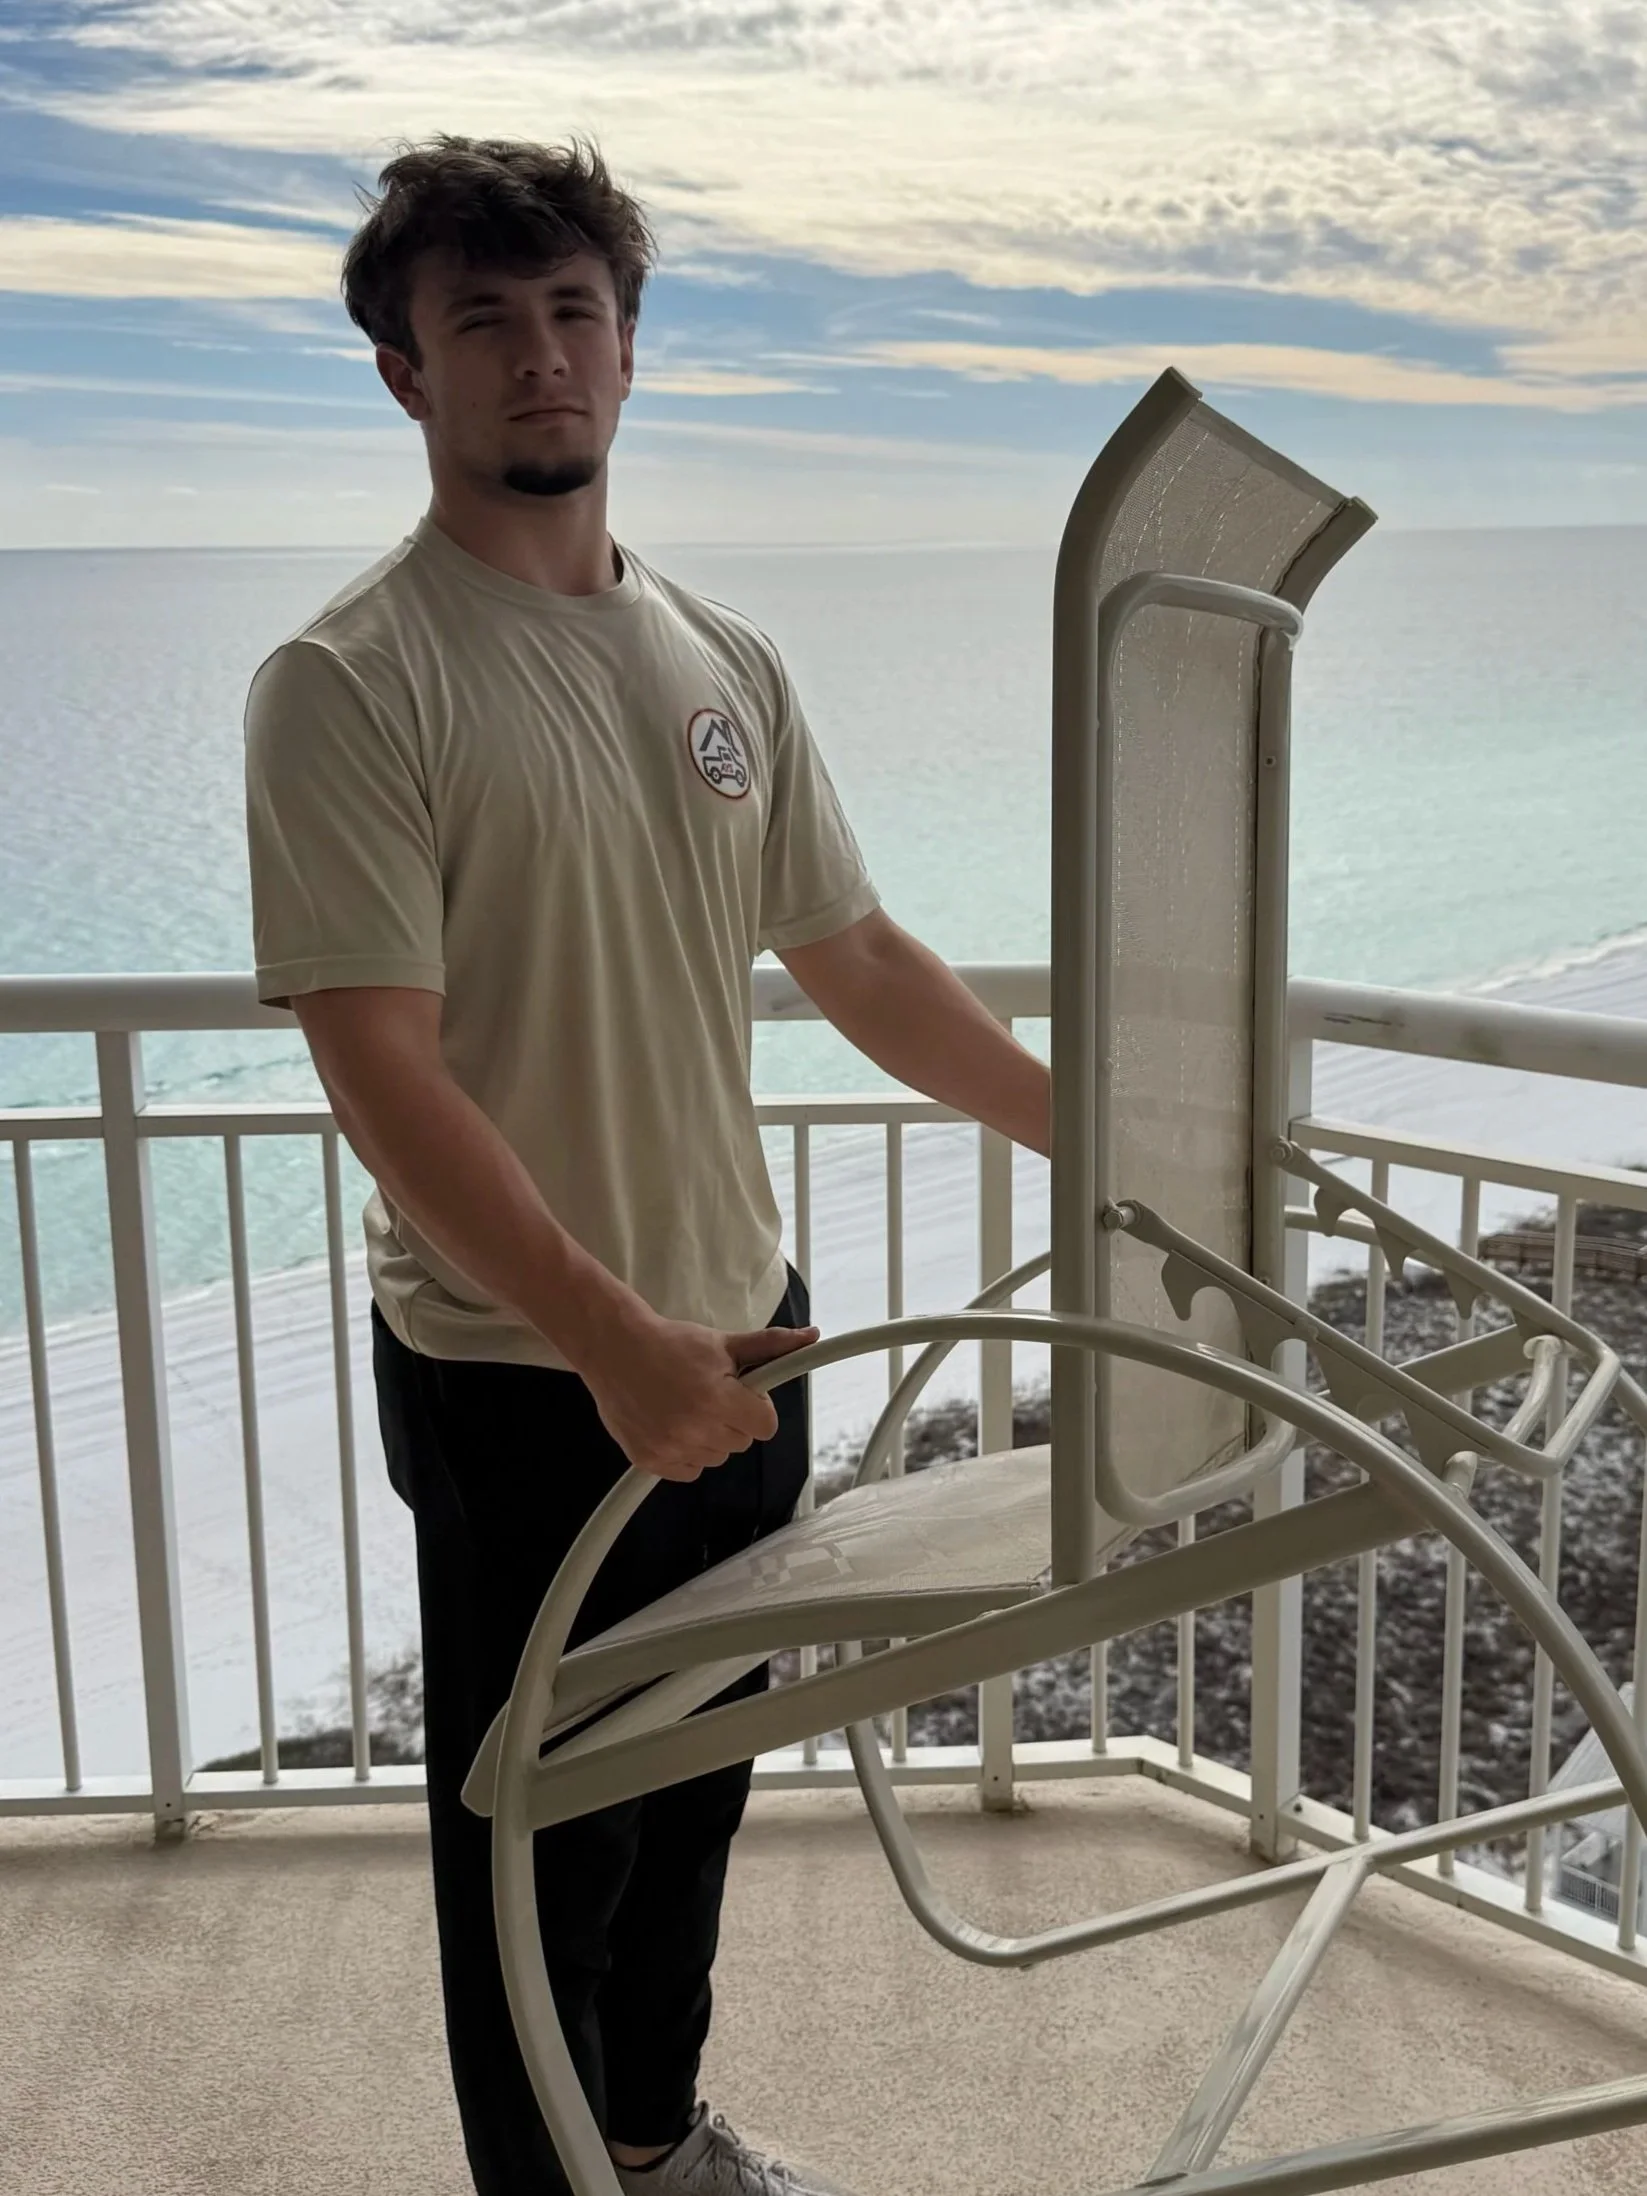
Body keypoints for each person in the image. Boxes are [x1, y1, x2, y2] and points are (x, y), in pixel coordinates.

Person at [243, 134, 1051, 2196]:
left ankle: (653, 2138)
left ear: (629, 344)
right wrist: (605, 1337)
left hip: (745, 1335)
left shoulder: (721, 662)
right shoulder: (350, 683)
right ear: (404, 374)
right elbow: (382, 1063)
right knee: (533, 1830)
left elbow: (852, 952)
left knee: (696, 1792)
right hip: (534, 1371)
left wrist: (1093, 1128)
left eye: (575, 311)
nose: (541, 357)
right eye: (482, 322)